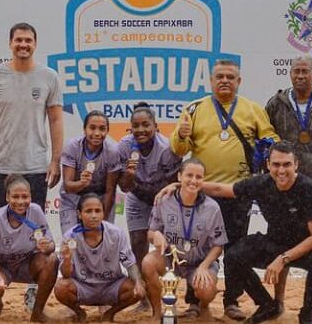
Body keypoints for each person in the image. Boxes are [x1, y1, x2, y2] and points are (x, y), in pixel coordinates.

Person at [157, 141, 312, 324]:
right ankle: (267, 305)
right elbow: (221, 189)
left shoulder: (308, 188)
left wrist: (283, 259)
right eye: (276, 164)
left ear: (296, 165)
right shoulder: (261, 183)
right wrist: (183, 185)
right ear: (268, 165)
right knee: (233, 256)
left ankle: (307, 315)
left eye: (286, 164)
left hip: (304, 248)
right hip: (275, 242)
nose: (281, 170)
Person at [169, 59, 278, 320]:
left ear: (239, 81)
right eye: (219, 76)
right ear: (211, 80)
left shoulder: (253, 110)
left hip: (238, 192)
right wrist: (182, 134)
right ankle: (193, 301)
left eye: (230, 77)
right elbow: (178, 150)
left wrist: (268, 144)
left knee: (235, 249)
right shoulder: (194, 109)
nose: (225, 81)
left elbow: (271, 140)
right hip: (202, 193)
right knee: (197, 246)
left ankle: (232, 301)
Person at [0, 22, 63, 311]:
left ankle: (32, 290)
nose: (23, 45)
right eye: (18, 40)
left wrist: (54, 160)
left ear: (35, 44)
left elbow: (55, 120)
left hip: (35, 167)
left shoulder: (49, 77)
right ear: (10, 43)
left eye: (28, 40)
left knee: (35, 236)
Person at [265, 54, 312, 315]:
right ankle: (278, 302)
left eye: (305, 71)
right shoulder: (275, 105)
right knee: (281, 242)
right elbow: (268, 141)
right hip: (285, 188)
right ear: (289, 74)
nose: (300, 76)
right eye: (296, 71)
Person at [142, 159, 227, 321]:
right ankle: (159, 311)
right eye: (189, 175)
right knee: (148, 263)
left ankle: (203, 307)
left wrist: (204, 266)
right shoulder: (163, 200)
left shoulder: (212, 207)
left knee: (207, 289)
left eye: (199, 177)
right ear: (179, 176)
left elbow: (218, 245)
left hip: (199, 262)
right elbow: (151, 232)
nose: (194, 181)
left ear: (203, 180)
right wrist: (155, 235)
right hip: (171, 259)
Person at [117, 102, 181, 311]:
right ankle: (142, 297)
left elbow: (173, 182)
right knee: (137, 244)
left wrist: (161, 201)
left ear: (156, 126)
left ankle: (169, 292)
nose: (141, 130)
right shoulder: (124, 146)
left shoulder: (166, 148)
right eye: (136, 125)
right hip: (136, 197)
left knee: (168, 245)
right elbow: (124, 188)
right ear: (130, 128)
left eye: (146, 125)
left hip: (162, 198)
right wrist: (129, 174)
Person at [55, 193, 146, 322]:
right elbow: (65, 275)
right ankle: (79, 312)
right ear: (79, 214)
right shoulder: (70, 236)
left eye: (98, 211)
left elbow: (130, 264)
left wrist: (137, 282)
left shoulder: (116, 234)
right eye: (88, 211)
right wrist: (67, 258)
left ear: (103, 214)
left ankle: (110, 313)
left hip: (111, 286)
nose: (94, 216)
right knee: (61, 288)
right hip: (83, 286)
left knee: (137, 288)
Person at [0, 174, 59, 322]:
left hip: (27, 266)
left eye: (25, 197)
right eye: (15, 197)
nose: (21, 202)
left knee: (52, 259)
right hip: (3, 267)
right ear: (7, 198)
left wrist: (47, 246)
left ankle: (37, 312)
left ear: (30, 197)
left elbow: (52, 246)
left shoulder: (35, 211)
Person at [60, 110, 122, 234]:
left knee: (102, 239)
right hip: (73, 198)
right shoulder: (72, 147)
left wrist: (102, 222)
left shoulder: (113, 151)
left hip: (101, 198)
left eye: (102, 129)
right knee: (71, 240)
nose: (97, 133)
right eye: (92, 128)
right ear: (84, 129)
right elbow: (68, 186)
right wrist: (82, 183)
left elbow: (110, 191)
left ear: (107, 131)